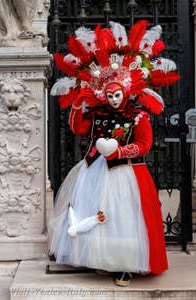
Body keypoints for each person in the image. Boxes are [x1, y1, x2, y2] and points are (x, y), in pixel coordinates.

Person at [48, 20, 180, 286]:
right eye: (110, 94)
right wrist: (77, 105)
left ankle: (124, 265)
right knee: (98, 216)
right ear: (103, 95)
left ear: (126, 92)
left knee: (123, 219)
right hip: (94, 171)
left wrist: (118, 150)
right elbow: (79, 129)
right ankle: (100, 258)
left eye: (117, 94)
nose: (114, 99)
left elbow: (144, 144)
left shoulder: (138, 116)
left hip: (126, 173)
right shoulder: (98, 116)